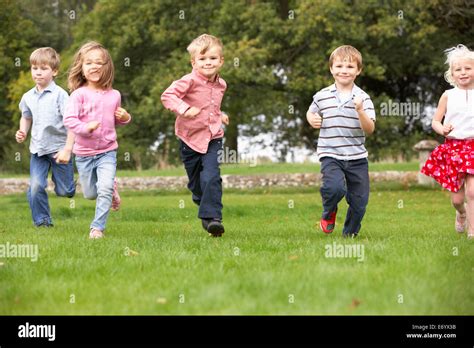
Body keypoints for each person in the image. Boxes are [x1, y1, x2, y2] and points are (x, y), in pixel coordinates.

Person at [161, 34, 229, 237]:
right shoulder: (188, 81)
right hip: (189, 138)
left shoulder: (222, 84)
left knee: (212, 176)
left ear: (221, 61)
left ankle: (213, 219)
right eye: (202, 59)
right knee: (195, 182)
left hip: (213, 137)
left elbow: (212, 106)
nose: (208, 63)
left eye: (213, 58)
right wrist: (184, 108)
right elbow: (168, 96)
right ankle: (203, 200)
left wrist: (220, 115)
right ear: (194, 62)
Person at [306, 45, 376, 238]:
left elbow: (369, 129)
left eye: (350, 67)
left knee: (359, 201)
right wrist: (311, 118)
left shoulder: (364, 98)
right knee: (334, 188)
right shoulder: (322, 95)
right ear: (331, 69)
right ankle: (329, 212)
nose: (344, 70)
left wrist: (360, 111)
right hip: (330, 153)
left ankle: (350, 234)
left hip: (357, 157)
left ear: (358, 70)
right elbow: (311, 111)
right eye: (339, 66)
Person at [64, 41, 131, 239]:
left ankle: (97, 228)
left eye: (99, 63)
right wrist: (85, 128)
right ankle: (111, 188)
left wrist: (125, 118)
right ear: (82, 68)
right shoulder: (78, 95)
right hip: (84, 154)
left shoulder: (115, 95)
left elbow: (115, 122)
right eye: (89, 63)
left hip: (107, 151)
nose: (94, 66)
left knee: (104, 188)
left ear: (106, 67)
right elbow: (69, 120)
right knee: (90, 194)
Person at [15, 47, 76, 228]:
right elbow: (26, 117)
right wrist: (23, 131)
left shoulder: (60, 95)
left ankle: (67, 185)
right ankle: (42, 222)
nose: (38, 72)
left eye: (43, 68)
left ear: (54, 71)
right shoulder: (28, 97)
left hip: (59, 150)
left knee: (65, 191)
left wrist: (69, 147)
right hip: (38, 150)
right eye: (35, 68)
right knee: (36, 187)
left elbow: (70, 122)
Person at [421, 44, 474, 239]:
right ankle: (461, 213)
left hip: (473, 147)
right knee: (458, 199)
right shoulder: (448, 95)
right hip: (454, 148)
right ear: (451, 73)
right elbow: (435, 120)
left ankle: (472, 232)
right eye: (458, 69)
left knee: (472, 192)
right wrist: (442, 128)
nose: (463, 72)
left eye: (468, 68)